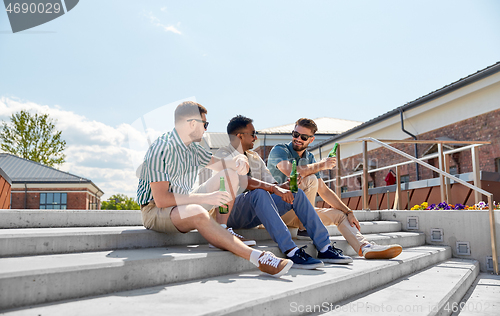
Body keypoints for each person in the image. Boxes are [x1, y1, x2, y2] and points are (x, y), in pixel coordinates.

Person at [136, 101, 292, 277]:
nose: (205, 129)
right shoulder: (161, 149)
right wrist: (206, 198)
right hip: (156, 210)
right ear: (192, 123)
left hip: (183, 202)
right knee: (196, 211)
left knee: (230, 174)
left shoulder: (192, 148)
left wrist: (238, 161)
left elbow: (221, 164)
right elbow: (162, 200)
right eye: (205, 124)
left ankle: (222, 227)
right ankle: (259, 258)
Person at [215, 115, 353, 269]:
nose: (255, 138)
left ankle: (324, 247)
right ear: (239, 136)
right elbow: (243, 181)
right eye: (252, 134)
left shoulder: (255, 158)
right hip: (229, 213)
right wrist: (274, 188)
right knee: (260, 193)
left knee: (296, 193)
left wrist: (285, 186)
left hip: (254, 212)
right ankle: (290, 249)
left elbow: (272, 184)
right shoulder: (223, 155)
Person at [267, 118, 402, 260]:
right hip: (278, 211)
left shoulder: (310, 158)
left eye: (303, 137)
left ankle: (365, 247)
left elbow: (324, 191)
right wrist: (321, 165)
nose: (298, 139)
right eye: (295, 134)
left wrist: (348, 211)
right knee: (310, 179)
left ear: (311, 140)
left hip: (299, 213)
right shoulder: (280, 149)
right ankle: (304, 227)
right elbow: (291, 172)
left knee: (340, 215)